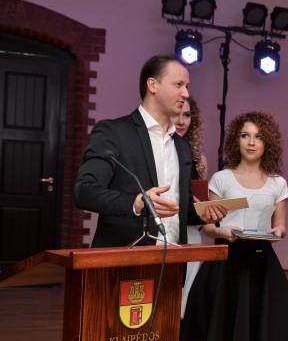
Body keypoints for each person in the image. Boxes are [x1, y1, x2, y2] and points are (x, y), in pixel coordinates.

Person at [180, 111, 288, 341]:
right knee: (218, 338)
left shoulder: (278, 183)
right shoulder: (221, 179)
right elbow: (207, 226)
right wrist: (221, 230)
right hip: (224, 260)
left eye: (258, 137)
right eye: (245, 135)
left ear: (267, 143)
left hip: (259, 263)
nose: (251, 142)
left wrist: (277, 232)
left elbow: (281, 227)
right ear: (236, 140)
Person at [74, 54, 224, 247]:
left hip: (174, 257)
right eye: (178, 85)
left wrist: (203, 214)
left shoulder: (182, 146)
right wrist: (136, 203)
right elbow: (84, 192)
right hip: (126, 255)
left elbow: (180, 209)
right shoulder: (113, 132)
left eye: (187, 86)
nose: (186, 93)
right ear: (153, 85)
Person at [173, 96, 210, 318]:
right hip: (163, 233)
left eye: (186, 115)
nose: (181, 121)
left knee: (184, 306)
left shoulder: (199, 160)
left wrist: (206, 208)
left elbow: (202, 203)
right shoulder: (154, 153)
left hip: (190, 234)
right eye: (176, 114)